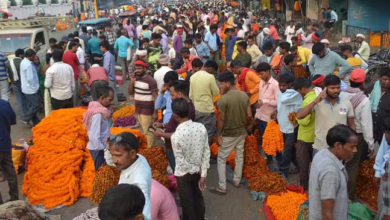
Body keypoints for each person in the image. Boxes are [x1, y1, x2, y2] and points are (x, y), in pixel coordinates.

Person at [209, 71, 251, 195]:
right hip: (242, 132)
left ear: (228, 83)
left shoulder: (224, 99)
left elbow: (221, 119)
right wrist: (245, 125)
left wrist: (219, 134)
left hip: (229, 133)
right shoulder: (244, 95)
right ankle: (237, 180)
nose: (220, 86)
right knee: (239, 156)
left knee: (221, 158)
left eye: (221, 84)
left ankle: (222, 186)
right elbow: (249, 116)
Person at [170, 98, 210, 220]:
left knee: (187, 202)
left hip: (183, 174)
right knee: (198, 197)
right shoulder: (201, 127)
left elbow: (180, 160)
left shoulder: (176, 136)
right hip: (197, 171)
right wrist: (202, 173)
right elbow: (206, 151)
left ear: (175, 116)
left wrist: (193, 169)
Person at [297, 75, 356, 156]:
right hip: (320, 147)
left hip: (339, 149)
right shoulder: (318, 102)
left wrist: (350, 143)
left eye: (338, 88)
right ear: (325, 88)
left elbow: (351, 125)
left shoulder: (347, 103)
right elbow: (300, 115)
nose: (336, 90)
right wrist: (315, 101)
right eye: (332, 88)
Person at [338, 69, 374, 201]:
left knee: (339, 163)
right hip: (356, 135)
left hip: (341, 132)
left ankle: (336, 192)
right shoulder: (364, 100)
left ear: (351, 80)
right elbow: (366, 123)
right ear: (363, 82)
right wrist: (370, 143)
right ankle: (348, 197)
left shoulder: (342, 94)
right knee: (352, 166)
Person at [309, 124, 358, 220]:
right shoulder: (331, 172)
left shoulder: (322, 153)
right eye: (352, 147)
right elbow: (327, 214)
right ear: (338, 145)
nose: (355, 150)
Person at [104, 132, 152, 219]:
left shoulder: (138, 183)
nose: (115, 160)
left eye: (118, 155)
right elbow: (111, 163)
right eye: (112, 155)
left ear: (132, 153)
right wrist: (108, 150)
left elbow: (146, 214)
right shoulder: (137, 158)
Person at [154, 80, 196, 172]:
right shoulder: (183, 107)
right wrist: (163, 125)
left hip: (177, 149)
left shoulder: (186, 110)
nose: (171, 98)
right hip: (173, 146)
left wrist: (161, 134)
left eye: (172, 95)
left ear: (180, 94)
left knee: (179, 173)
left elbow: (180, 135)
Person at [275, 74, 302, 177]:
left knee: (287, 150)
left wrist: (290, 89)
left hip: (291, 128)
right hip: (282, 126)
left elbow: (283, 100)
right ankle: (299, 166)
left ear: (290, 84)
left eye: (284, 85)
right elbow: (279, 105)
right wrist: (275, 111)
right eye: (280, 85)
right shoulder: (279, 93)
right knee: (290, 149)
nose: (281, 88)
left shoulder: (295, 94)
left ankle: (283, 171)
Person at [255, 63, 281, 164]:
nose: (260, 76)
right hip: (261, 116)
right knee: (264, 140)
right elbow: (260, 98)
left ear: (268, 72)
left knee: (274, 141)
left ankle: (280, 164)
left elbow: (278, 102)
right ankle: (268, 159)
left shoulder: (275, 85)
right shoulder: (261, 82)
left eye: (261, 74)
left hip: (270, 119)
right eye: (259, 74)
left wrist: (265, 101)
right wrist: (256, 115)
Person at [83, 85, 113, 170]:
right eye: (110, 100)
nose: (111, 102)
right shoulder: (98, 114)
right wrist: (104, 149)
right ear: (102, 98)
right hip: (98, 149)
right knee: (101, 173)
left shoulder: (101, 111)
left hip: (101, 147)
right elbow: (93, 137)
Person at [128, 60, 158, 148]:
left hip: (147, 110)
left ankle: (151, 151)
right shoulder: (135, 78)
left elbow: (156, 97)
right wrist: (132, 82)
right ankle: (150, 149)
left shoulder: (151, 81)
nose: (137, 70)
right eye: (136, 68)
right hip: (138, 109)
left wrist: (155, 112)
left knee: (148, 132)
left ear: (145, 68)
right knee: (145, 131)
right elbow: (130, 92)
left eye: (139, 68)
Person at [294, 77, 316, 190]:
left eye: (299, 91)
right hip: (314, 136)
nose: (299, 93)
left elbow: (305, 121)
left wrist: (297, 117)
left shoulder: (307, 101)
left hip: (305, 137)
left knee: (303, 163)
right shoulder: (316, 96)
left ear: (303, 89)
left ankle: (303, 186)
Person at [189, 60, 220, 141]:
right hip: (207, 109)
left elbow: (190, 95)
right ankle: (206, 152)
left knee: (198, 133)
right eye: (213, 71)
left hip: (196, 109)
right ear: (211, 68)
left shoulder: (193, 76)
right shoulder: (210, 77)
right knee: (208, 134)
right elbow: (216, 93)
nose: (213, 73)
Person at [0, 99, 19, 205]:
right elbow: (13, 120)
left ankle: (1, 206)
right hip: (6, 143)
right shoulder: (5, 103)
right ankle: (15, 198)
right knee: (10, 171)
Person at [368, 68, 390, 144]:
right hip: (370, 128)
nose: (387, 82)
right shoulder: (372, 88)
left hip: (385, 131)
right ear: (380, 78)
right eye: (385, 79)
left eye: (389, 80)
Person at [20, 49, 42, 126]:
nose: (34, 57)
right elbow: (30, 78)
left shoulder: (23, 62)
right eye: (33, 56)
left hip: (26, 88)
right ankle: (25, 118)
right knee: (37, 105)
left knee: (32, 105)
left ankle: (36, 122)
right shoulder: (28, 65)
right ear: (30, 56)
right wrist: (35, 87)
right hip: (31, 88)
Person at [374, 118, 390, 220]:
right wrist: (378, 172)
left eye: (387, 134)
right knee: (382, 204)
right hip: (385, 175)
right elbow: (382, 151)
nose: (385, 136)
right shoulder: (387, 133)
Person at [7, 49, 24, 118]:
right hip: (22, 83)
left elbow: (9, 74)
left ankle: (22, 114)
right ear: (20, 55)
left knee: (19, 99)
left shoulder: (10, 63)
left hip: (14, 83)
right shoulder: (22, 62)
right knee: (25, 99)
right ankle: (27, 114)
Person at [63, 41, 81, 107]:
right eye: (76, 47)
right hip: (74, 76)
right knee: (75, 93)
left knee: (70, 92)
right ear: (73, 47)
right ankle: (75, 106)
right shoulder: (73, 55)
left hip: (67, 76)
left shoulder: (64, 54)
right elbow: (78, 64)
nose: (77, 49)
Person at [100, 40, 118, 105]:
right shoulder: (109, 54)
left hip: (109, 77)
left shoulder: (107, 56)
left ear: (104, 48)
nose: (100, 49)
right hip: (112, 75)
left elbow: (106, 68)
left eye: (101, 47)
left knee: (112, 92)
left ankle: (116, 106)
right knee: (113, 91)